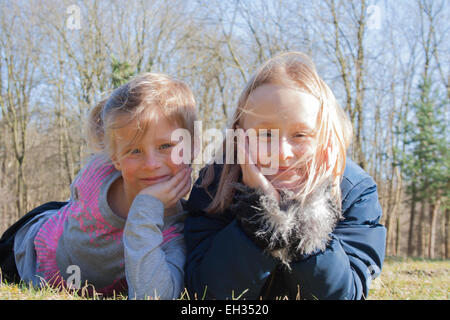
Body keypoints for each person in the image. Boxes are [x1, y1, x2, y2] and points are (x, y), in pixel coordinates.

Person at [184, 52, 386, 300]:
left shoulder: (355, 191)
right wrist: (261, 215)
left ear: (326, 138)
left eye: (300, 135)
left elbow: (344, 294)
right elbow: (207, 293)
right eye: (266, 134)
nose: (282, 154)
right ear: (240, 137)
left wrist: (307, 216)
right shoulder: (214, 184)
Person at [1, 73, 197, 299]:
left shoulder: (176, 232)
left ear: (192, 147)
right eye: (134, 150)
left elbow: (152, 295)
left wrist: (146, 209)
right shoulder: (99, 172)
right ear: (115, 158)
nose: (151, 164)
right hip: (25, 252)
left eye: (165, 146)